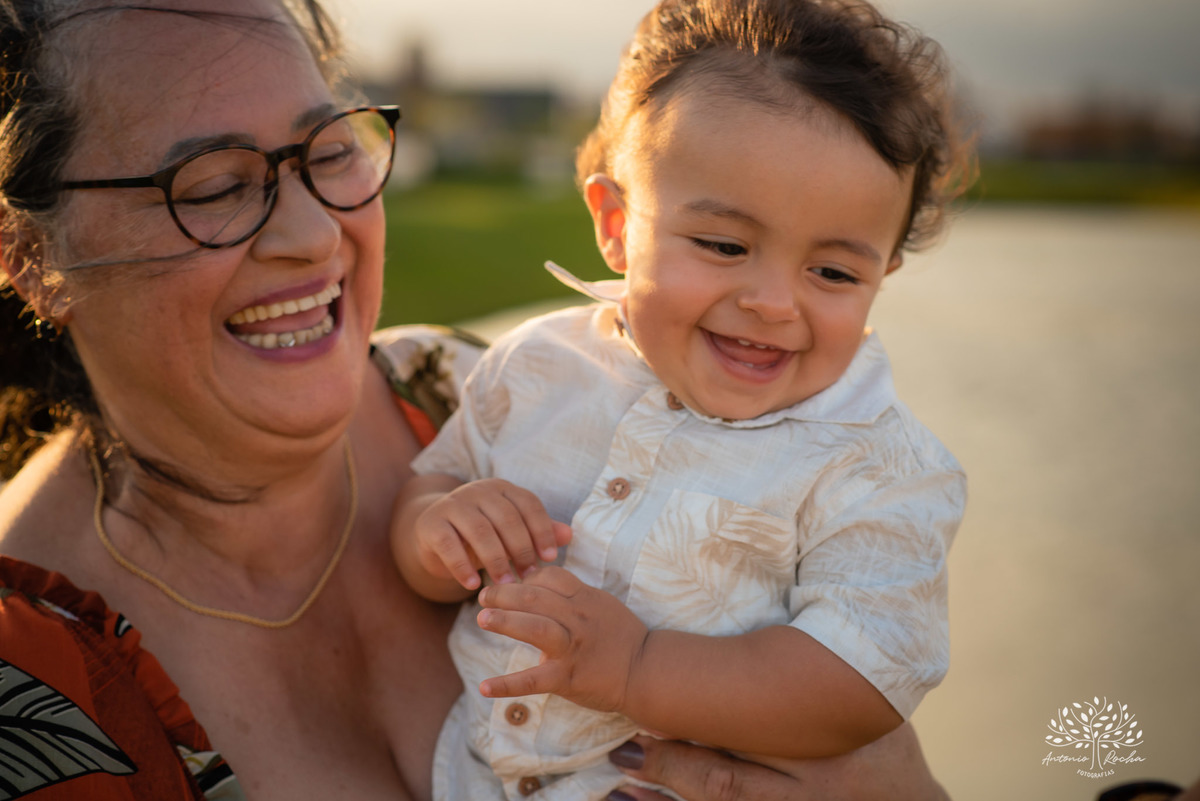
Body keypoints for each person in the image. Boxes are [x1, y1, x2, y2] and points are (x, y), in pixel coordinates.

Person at [0, 0, 950, 799]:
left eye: (328, 151)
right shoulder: (28, 691)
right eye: (210, 185)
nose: (312, 232)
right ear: (29, 255)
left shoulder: (456, 379)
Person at [390, 0, 972, 798]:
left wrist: (638, 669)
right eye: (725, 246)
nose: (774, 301)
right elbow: (432, 484)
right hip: (468, 774)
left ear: (881, 277)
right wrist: (439, 528)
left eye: (834, 272)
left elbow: (861, 682)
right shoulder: (540, 366)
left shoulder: (879, 466)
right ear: (619, 225)